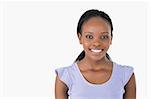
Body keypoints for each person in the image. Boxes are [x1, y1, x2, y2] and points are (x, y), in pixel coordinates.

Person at [55, 9, 136, 99]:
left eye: (104, 37)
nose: (96, 43)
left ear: (111, 39)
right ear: (80, 38)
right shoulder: (65, 77)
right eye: (89, 36)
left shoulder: (125, 75)